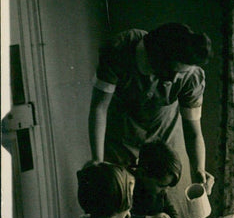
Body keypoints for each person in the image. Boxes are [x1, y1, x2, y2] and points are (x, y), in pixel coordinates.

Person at [88, 22, 215, 193]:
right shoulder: (120, 50)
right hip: (121, 133)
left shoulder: (191, 76)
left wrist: (198, 168)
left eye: (181, 74)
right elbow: (99, 108)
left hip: (161, 135)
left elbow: (193, 131)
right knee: (119, 193)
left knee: (159, 192)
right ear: (157, 57)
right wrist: (98, 161)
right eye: (171, 71)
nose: (173, 79)